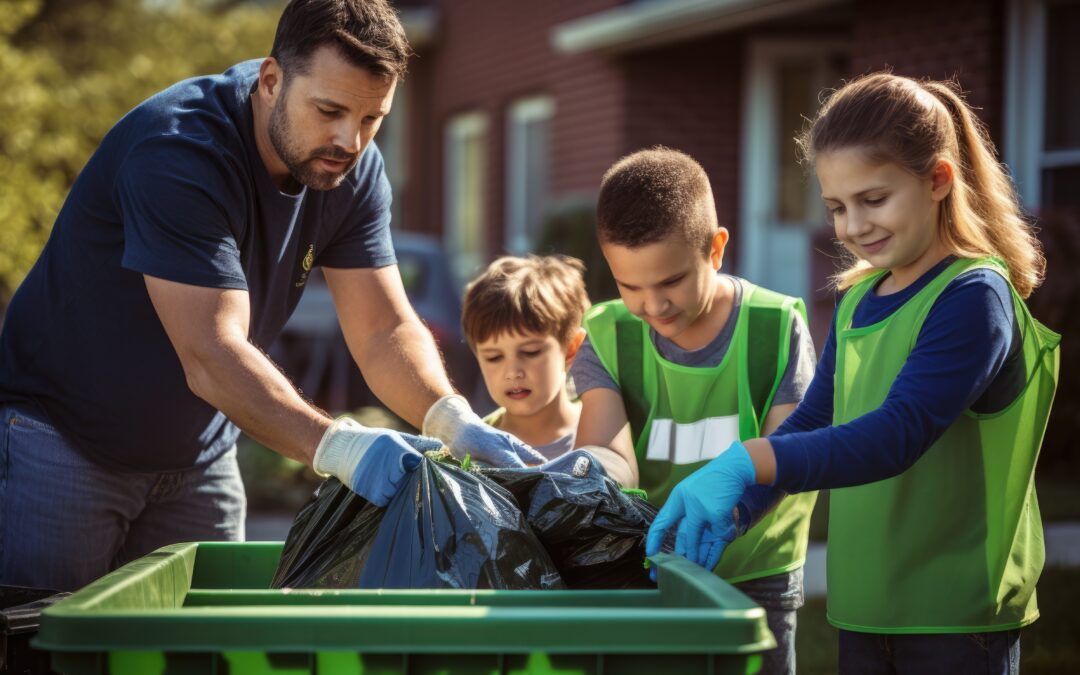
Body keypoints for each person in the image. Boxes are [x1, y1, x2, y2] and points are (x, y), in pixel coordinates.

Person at [0, 0, 543, 593]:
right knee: (42, 644)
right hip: (64, 443)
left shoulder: (350, 170)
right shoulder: (180, 151)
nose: (349, 139)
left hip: (197, 458)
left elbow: (383, 328)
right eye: (329, 110)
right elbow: (211, 353)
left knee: (198, 649)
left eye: (371, 118)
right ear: (271, 80)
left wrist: (450, 418)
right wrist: (339, 447)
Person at [646, 74, 1060, 674]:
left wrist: (748, 459)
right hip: (865, 607)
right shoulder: (858, 300)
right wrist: (743, 504)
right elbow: (818, 418)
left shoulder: (974, 294)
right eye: (838, 207)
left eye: (874, 199)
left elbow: (897, 434)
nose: (854, 227)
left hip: (958, 618)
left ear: (939, 180)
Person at [570, 147, 818, 674]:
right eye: (629, 286)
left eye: (671, 281)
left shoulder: (775, 327)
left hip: (758, 574)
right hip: (652, 567)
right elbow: (606, 453)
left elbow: (792, 450)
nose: (653, 306)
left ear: (716, 248)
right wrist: (572, 479)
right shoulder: (608, 334)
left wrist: (733, 514)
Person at [461, 255, 591, 459]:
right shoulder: (471, 448)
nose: (513, 373)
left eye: (531, 352)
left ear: (572, 347)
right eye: (494, 357)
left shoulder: (605, 432)